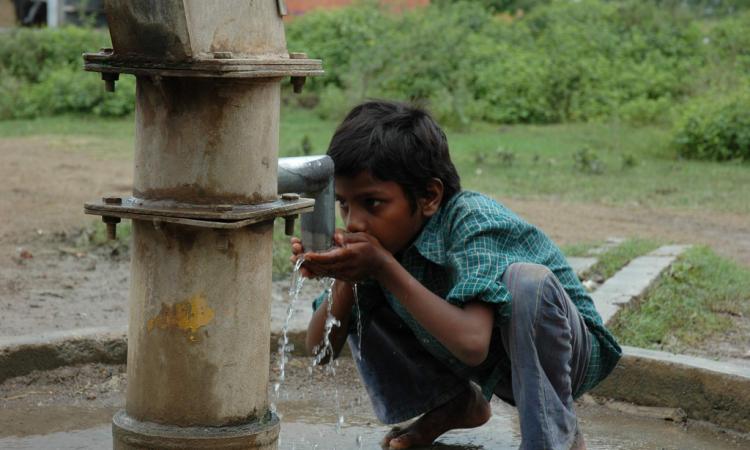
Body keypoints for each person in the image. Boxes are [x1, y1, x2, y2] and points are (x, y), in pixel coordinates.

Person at [290, 100, 621, 450]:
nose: (354, 221)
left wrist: (383, 267)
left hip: (566, 354)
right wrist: (346, 276)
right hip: (490, 358)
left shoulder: (472, 222)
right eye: (344, 204)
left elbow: (473, 344)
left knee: (526, 283)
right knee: (367, 289)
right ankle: (454, 404)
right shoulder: (385, 241)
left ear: (430, 196)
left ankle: (558, 438)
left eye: (372, 203)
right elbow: (318, 351)